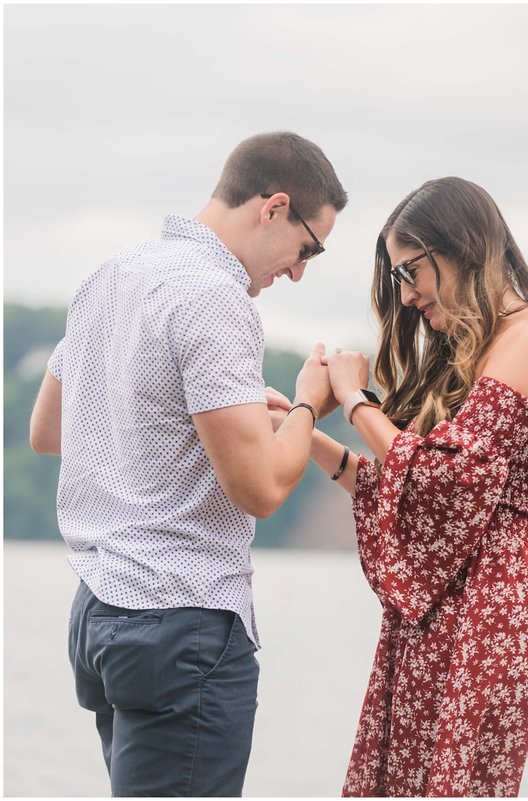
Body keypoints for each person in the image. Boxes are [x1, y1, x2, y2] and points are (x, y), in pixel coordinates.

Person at [28, 132, 347, 796]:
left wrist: (209, 419)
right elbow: (260, 488)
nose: (297, 273)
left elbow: (50, 429)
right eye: (307, 248)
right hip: (181, 623)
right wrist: (307, 407)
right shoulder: (215, 297)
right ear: (273, 207)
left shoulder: (111, 274)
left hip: (101, 613)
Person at [298, 176, 528, 797]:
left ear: (460, 247)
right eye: (397, 277)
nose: (405, 296)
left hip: (490, 614)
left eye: (411, 271)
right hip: (436, 615)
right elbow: (405, 485)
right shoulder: (475, 350)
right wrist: (304, 435)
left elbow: (442, 481)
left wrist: (353, 399)